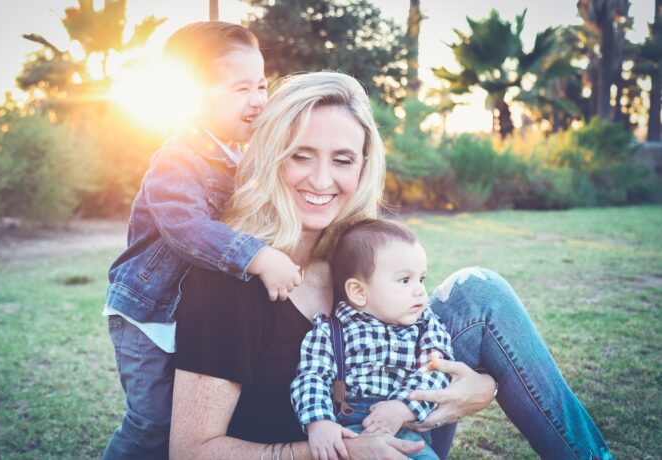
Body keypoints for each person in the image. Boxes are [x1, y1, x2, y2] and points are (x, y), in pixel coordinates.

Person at [171, 71, 613, 460]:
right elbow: (192, 452)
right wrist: (337, 451)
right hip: (319, 451)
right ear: (269, 156)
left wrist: (481, 389)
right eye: (300, 155)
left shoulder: (358, 250)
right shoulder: (226, 280)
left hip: (397, 434)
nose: (322, 180)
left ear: (363, 167)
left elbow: (423, 346)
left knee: (479, 292)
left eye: (342, 159)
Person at [102, 22, 302, 460]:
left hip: (188, 314)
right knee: (152, 424)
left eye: (261, 85)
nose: (258, 99)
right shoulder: (177, 159)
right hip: (148, 316)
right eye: (240, 89)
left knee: (193, 419)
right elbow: (187, 229)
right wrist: (258, 256)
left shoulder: (239, 155)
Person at [291, 218, 453, 460]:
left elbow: (437, 369)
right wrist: (320, 422)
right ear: (358, 291)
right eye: (404, 280)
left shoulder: (426, 324)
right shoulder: (331, 330)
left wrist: (403, 407)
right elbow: (311, 377)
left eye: (422, 279)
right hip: (348, 431)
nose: (419, 290)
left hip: (405, 429)